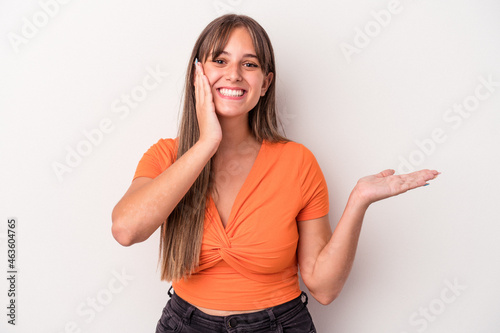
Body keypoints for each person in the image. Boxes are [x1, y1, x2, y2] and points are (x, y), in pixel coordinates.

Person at [111, 14, 439, 333]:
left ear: (265, 83)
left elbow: (324, 289)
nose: (235, 74)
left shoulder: (298, 162)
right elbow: (126, 230)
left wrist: (359, 201)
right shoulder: (166, 156)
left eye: (249, 64)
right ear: (197, 74)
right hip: (184, 324)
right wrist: (207, 143)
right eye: (220, 61)